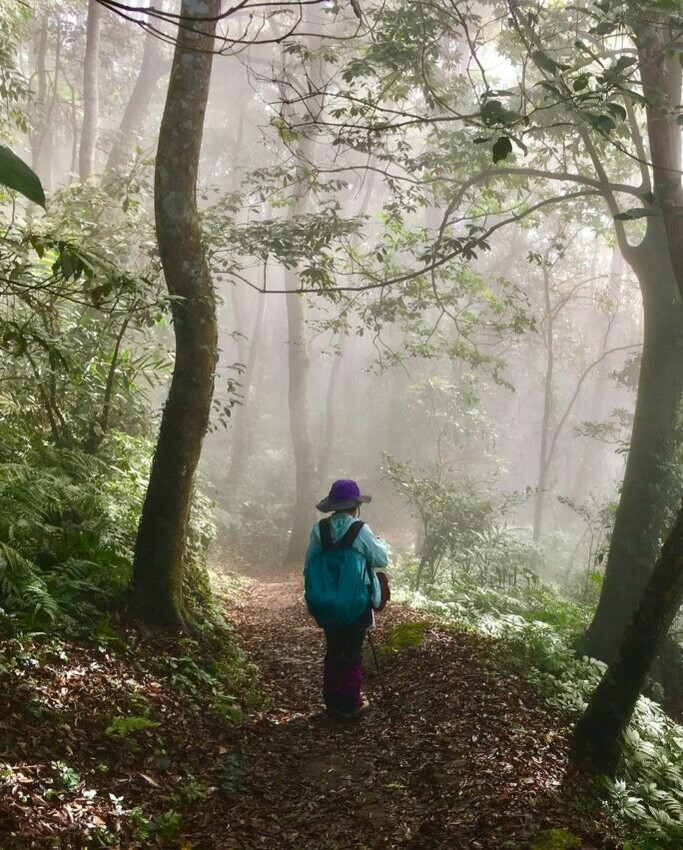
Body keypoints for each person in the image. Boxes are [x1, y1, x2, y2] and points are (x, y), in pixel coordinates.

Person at [304, 479, 389, 717]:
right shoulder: (360, 530)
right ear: (355, 506)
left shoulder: (320, 530)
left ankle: (332, 702)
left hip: (327, 602)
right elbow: (381, 559)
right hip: (356, 602)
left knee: (333, 649)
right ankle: (351, 702)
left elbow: (309, 563)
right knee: (352, 652)